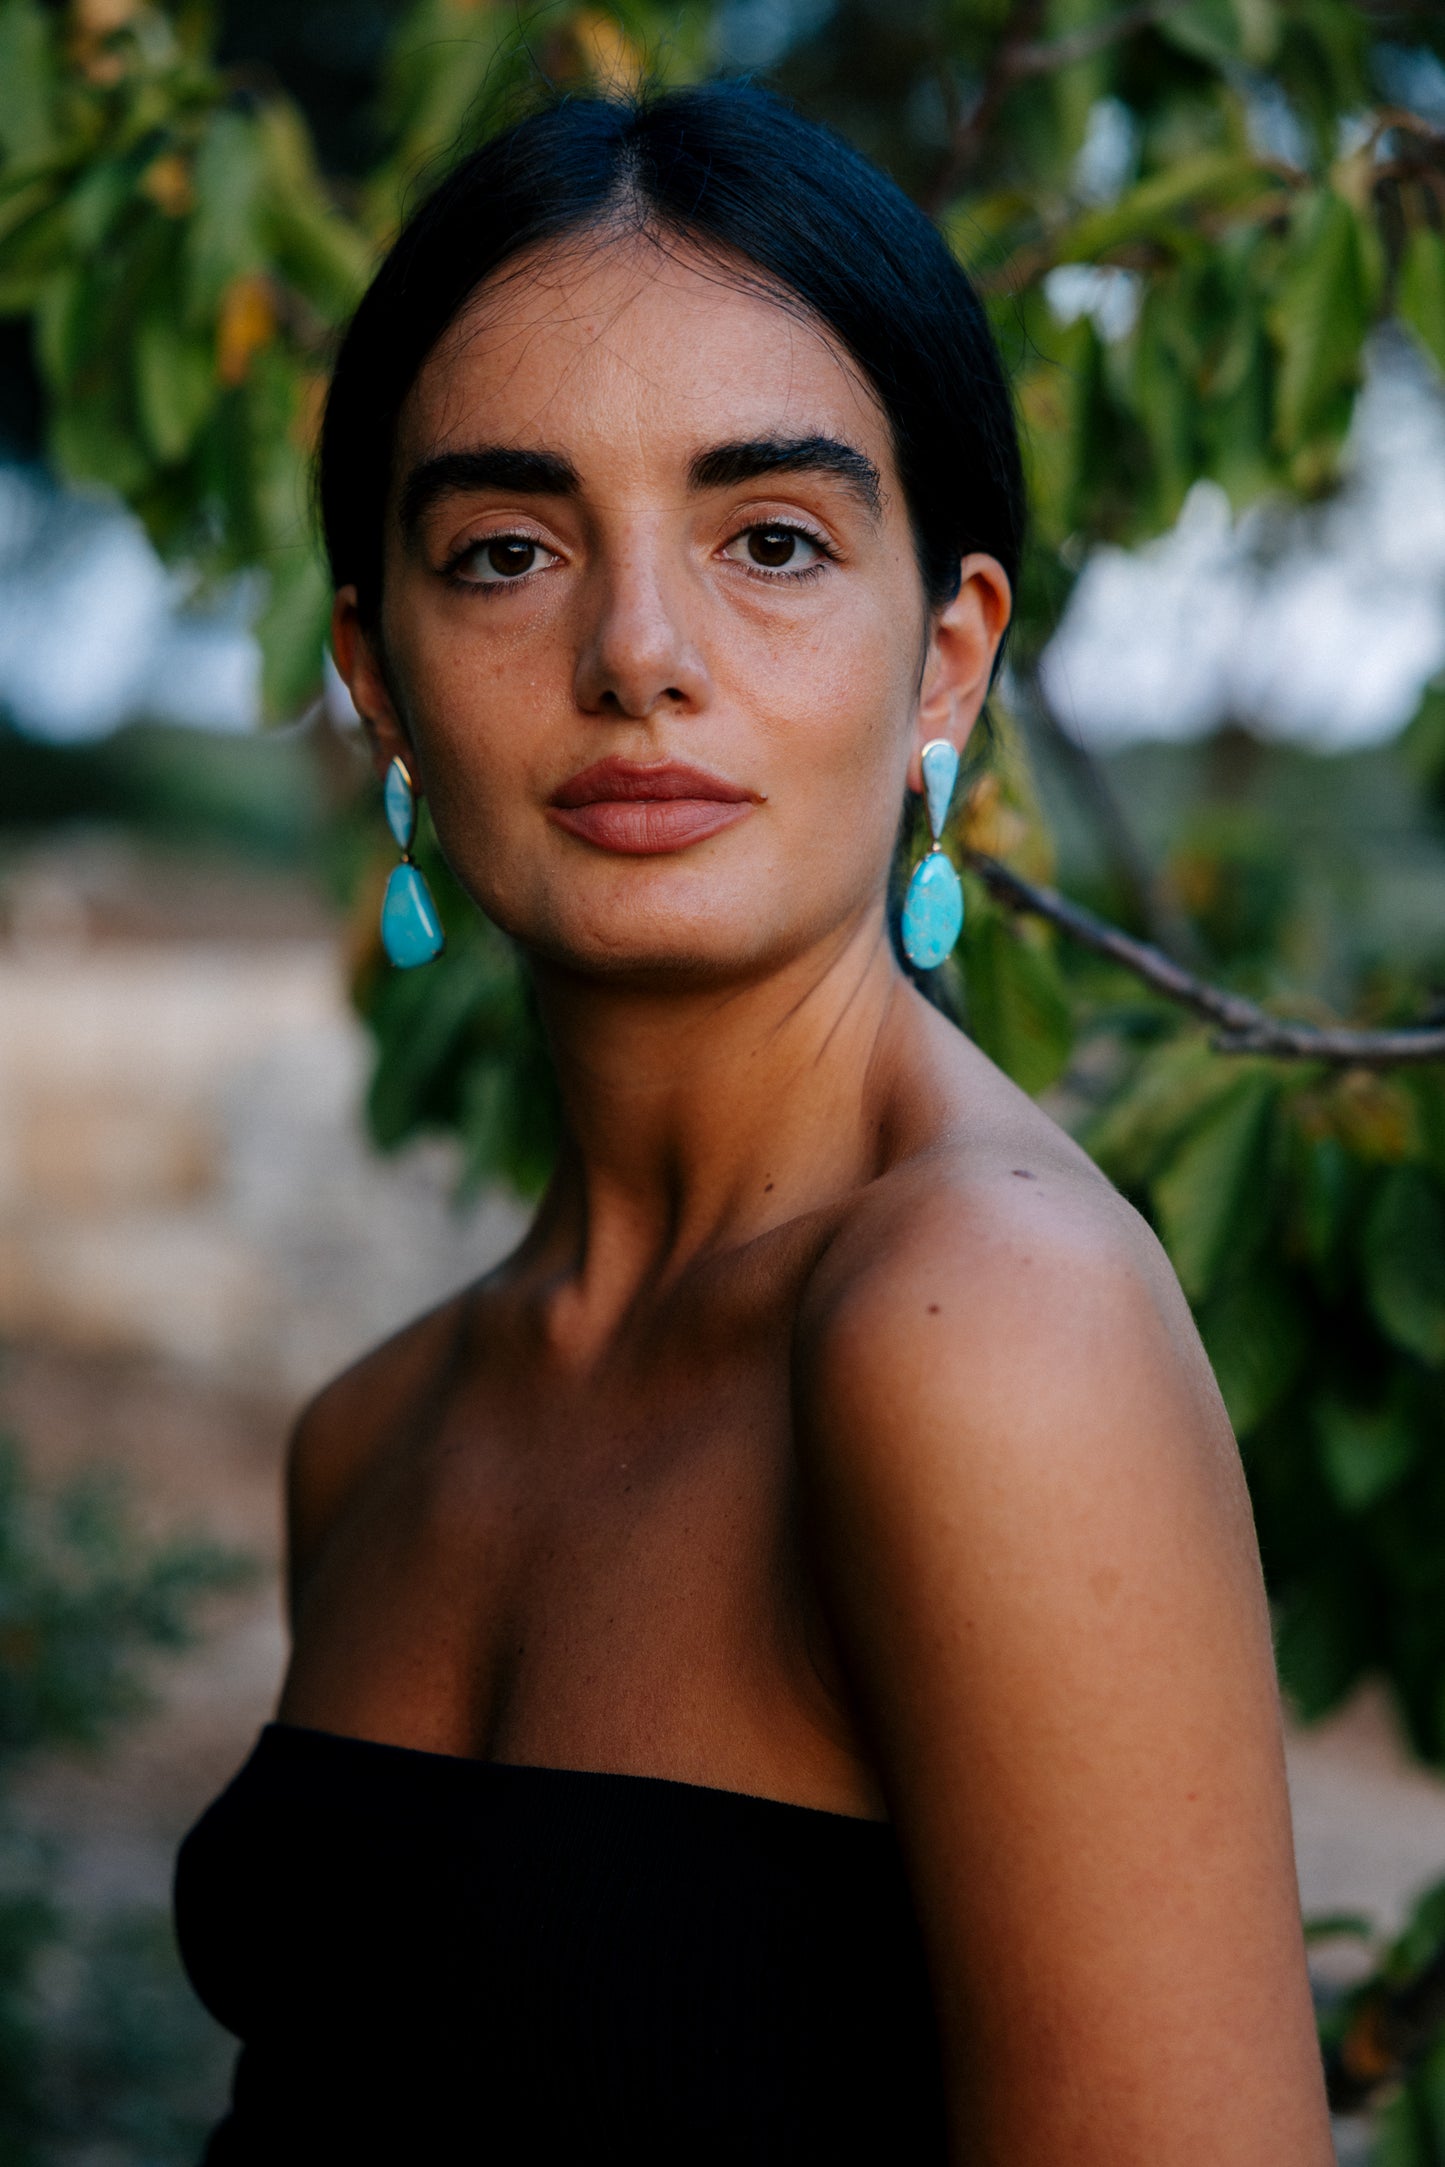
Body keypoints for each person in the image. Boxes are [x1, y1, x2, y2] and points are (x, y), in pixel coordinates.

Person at [174, 81, 1334, 2165]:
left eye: (773, 541)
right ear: (380, 676)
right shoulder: (372, 1431)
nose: (640, 655)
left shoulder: (989, 1325)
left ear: (948, 665)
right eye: (508, 551)